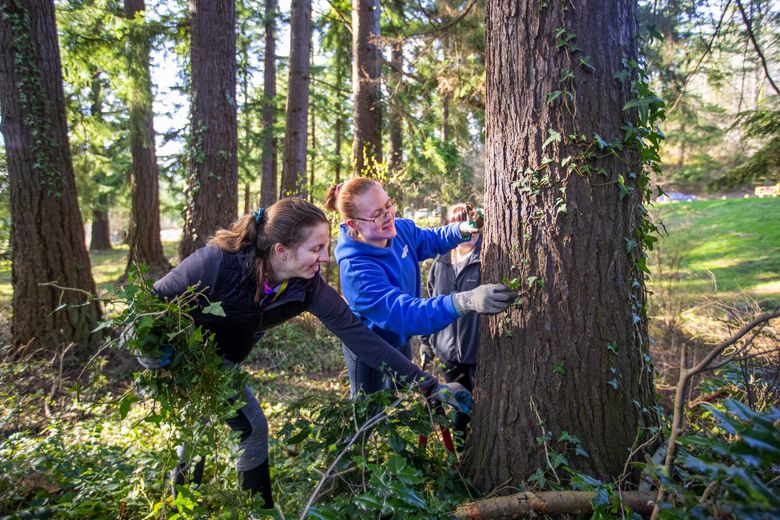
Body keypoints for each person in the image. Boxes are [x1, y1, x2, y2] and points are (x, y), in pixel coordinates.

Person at [149, 197, 466, 509]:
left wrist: (426, 383)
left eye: (325, 247)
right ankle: (188, 505)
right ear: (281, 251)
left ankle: (246, 510)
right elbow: (149, 307)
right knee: (224, 428)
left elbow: (359, 337)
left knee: (219, 426)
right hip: (181, 358)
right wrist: (155, 357)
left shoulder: (308, 287)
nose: (326, 258)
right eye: (316, 249)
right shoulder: (215, 263)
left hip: (225, 362)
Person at [324, 177, 517, 397]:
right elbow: (405, 313)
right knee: (369, 409)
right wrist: (465, 300)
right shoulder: (357, 270)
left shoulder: (400, 230)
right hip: (370, 344)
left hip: (399, 337)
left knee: (398, 395)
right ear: (354, 224)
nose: (388, 216)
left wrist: (462, 229)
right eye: (377, 214)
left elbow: (427, 240)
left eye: (388, 205)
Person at [420, 202, 483, 447]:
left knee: (481, 405)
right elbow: (429, 305)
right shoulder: (440, 263)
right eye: (465, 226)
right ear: (452, 228)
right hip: (448, 351)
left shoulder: (484, 259)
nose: (471, 233)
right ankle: (459, 450)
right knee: (458, 407)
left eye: (475, 227)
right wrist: (426, 342)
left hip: (477, 350)